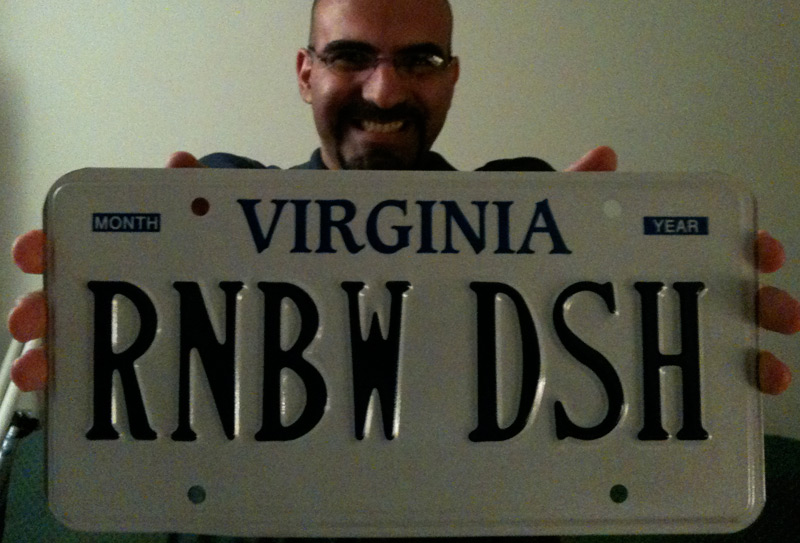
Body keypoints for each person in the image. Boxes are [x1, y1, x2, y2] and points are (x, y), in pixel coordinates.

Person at [5, 0, 799, 540]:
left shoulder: (530, 208)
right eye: (350, 56)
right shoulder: (216, 208)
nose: (385, 90)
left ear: (451, 76)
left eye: (420, 60)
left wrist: (678, 323)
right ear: (305, 72)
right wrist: (95, 339)